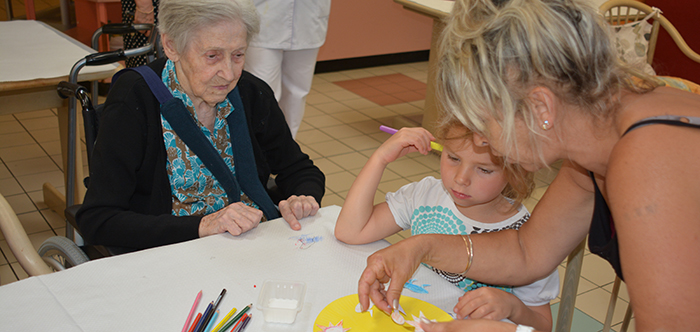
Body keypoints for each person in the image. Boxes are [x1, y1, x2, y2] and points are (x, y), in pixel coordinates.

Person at [356, 0, 700, 331]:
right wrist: (420, 247)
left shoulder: (647, 159)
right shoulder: (596, 143)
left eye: (484, 122)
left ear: (540, 108)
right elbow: (527, 251)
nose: (482, 141)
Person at [76, 0, 325, 254]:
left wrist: (302, 197)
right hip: (170, 254)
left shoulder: (251, 93)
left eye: (238, 54)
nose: (228, 74)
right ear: (171, 46)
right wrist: (203, 225)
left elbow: (299, 169)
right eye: (212, 56)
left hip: (250, 249)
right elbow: (98, 219)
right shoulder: (134, 100)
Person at [335, 123, 557, 330]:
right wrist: (380, 158)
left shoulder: (528, 236)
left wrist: (513, 307)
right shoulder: (426, 195)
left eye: (485, 170)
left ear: (516, 172)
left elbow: (542, 325)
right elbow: (351, 231)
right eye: (453, 158)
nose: (461, 179)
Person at [243, 0, 331, 138]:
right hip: (264, 16)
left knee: (297, 94)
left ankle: (287, 150)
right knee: (262, 93)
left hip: (308, 18)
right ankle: (259, 148)